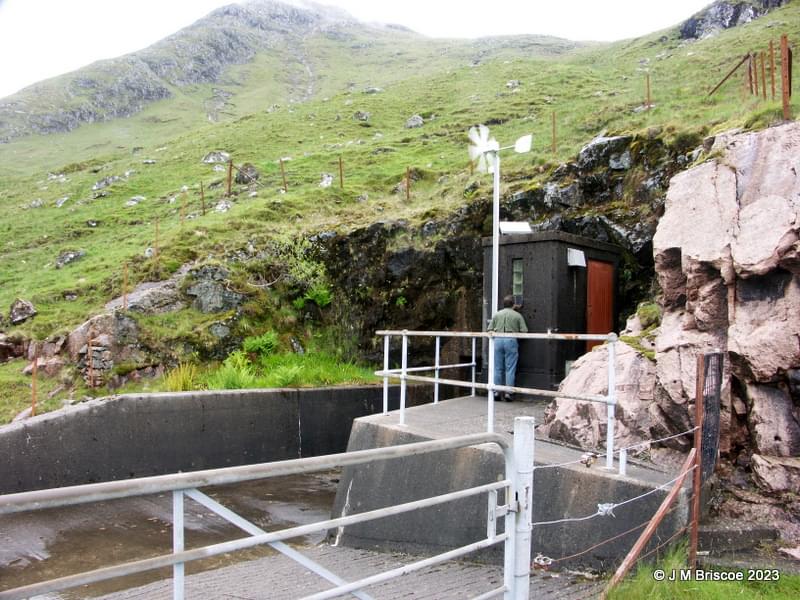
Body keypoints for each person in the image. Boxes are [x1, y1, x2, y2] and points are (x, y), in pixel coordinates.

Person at [488, 295, 528, 402]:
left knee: (497, 367)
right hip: (511, 340)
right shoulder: (517, 315)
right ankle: (508, 393)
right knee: (510, 368)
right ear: (513, 304)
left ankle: (496, 391)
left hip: (498, 340)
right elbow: (524, 330)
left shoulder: (497, 314)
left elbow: (490, 329)